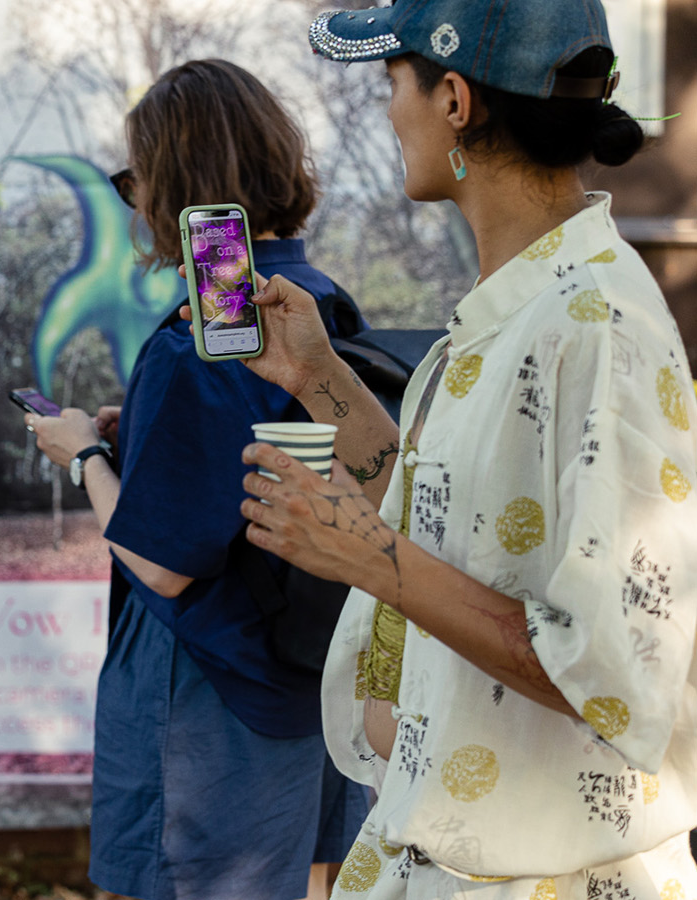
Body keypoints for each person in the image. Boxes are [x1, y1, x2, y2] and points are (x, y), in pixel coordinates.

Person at [232, 1, 697, 896]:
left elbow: (612, 671)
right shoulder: (523, 304)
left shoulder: (593, 326)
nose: (386, 109)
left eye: (389, 84)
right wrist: (315, 377)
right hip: (439, 853)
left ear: (453, 99)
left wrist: (363, 555)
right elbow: (433, 508)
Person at [24, 59, 370, 900]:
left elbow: (162, 562)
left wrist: (86, 456)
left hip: (211, 693)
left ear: (172, 186)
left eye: (133, 179)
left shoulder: (200, 337)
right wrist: (140, 430)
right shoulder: (314, 301)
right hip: (311, 677)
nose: (131, 201)